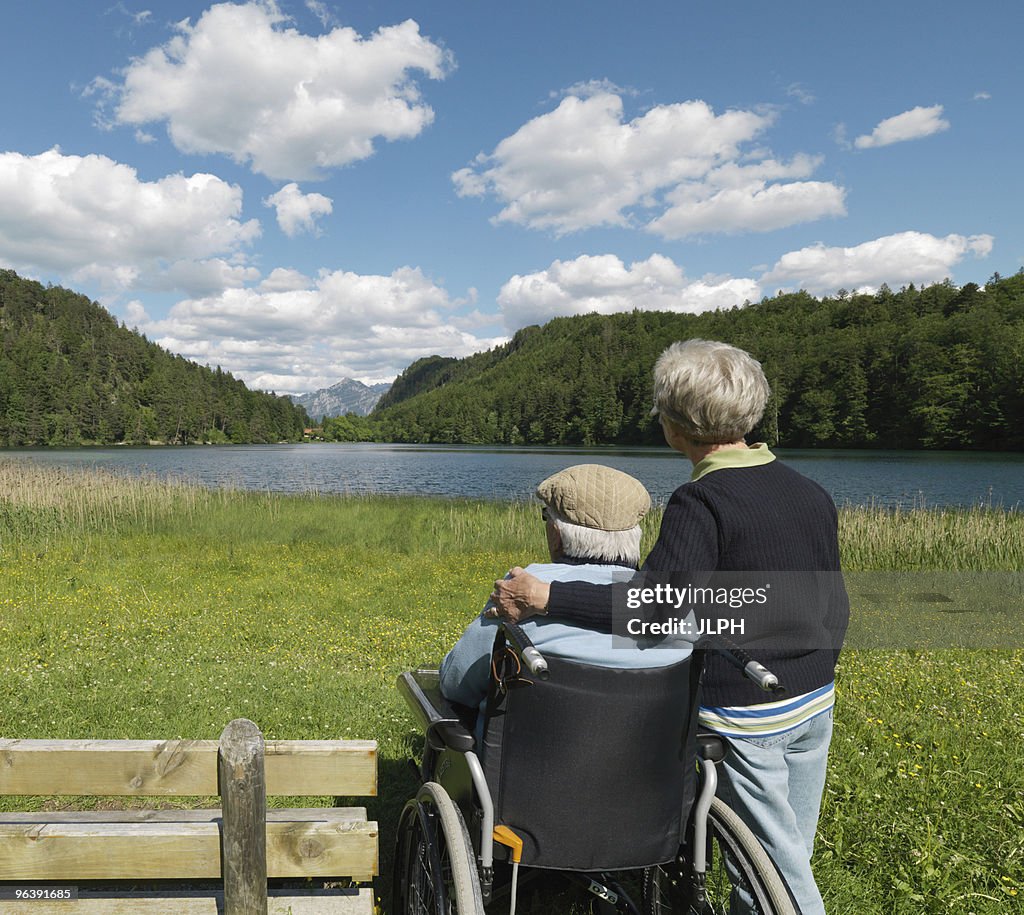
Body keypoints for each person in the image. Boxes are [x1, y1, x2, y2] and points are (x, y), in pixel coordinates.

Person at [490, 339, 849, 915]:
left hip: (747, 711)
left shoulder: (703, 501)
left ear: (675, 425)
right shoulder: (808, 491)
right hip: (813, 699)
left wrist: (547, 594)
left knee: (775, 875)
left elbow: (654, 608)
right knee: (785, 855)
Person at [440, 463, 691, 721]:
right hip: (653, 758)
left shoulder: (522, 590)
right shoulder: (674, 603)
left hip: (524, 756)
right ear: (634, 537)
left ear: (556, 533)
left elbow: (456, 683)